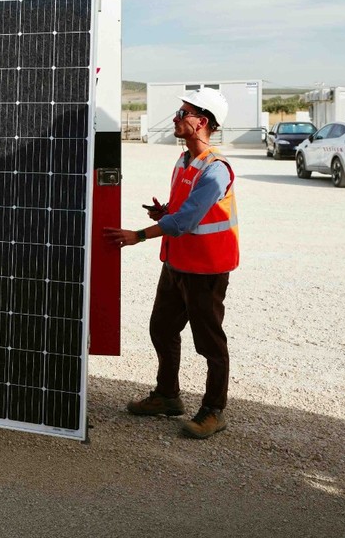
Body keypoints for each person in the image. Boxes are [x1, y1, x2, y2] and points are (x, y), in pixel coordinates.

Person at [104, 87, 240, 440]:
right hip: (177, 263)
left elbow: (186, 221)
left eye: (183, 113)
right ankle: (167, 396)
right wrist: (164, 211)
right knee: (162, 329)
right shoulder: (184, 162)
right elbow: (182, 212)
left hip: (206, 270)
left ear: (202, 122)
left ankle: (214, 411)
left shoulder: (216, 170)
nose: (176, 119)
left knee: (210, 343)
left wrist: (138, 235)